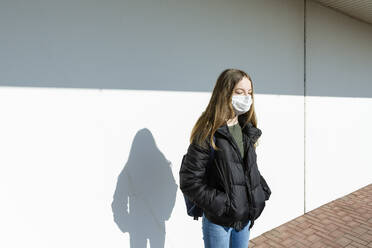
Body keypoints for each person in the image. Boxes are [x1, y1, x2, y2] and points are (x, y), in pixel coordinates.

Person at [179, 68, 271, 248]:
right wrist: (225, 204)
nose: (246, 98)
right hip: (218, 222)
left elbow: (245, 168)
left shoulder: (246, 129)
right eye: (239, 92)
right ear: (225, 93)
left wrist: (260, 191)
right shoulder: (208, 131)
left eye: (249, 93)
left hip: (244, 220)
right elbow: (189, 180)